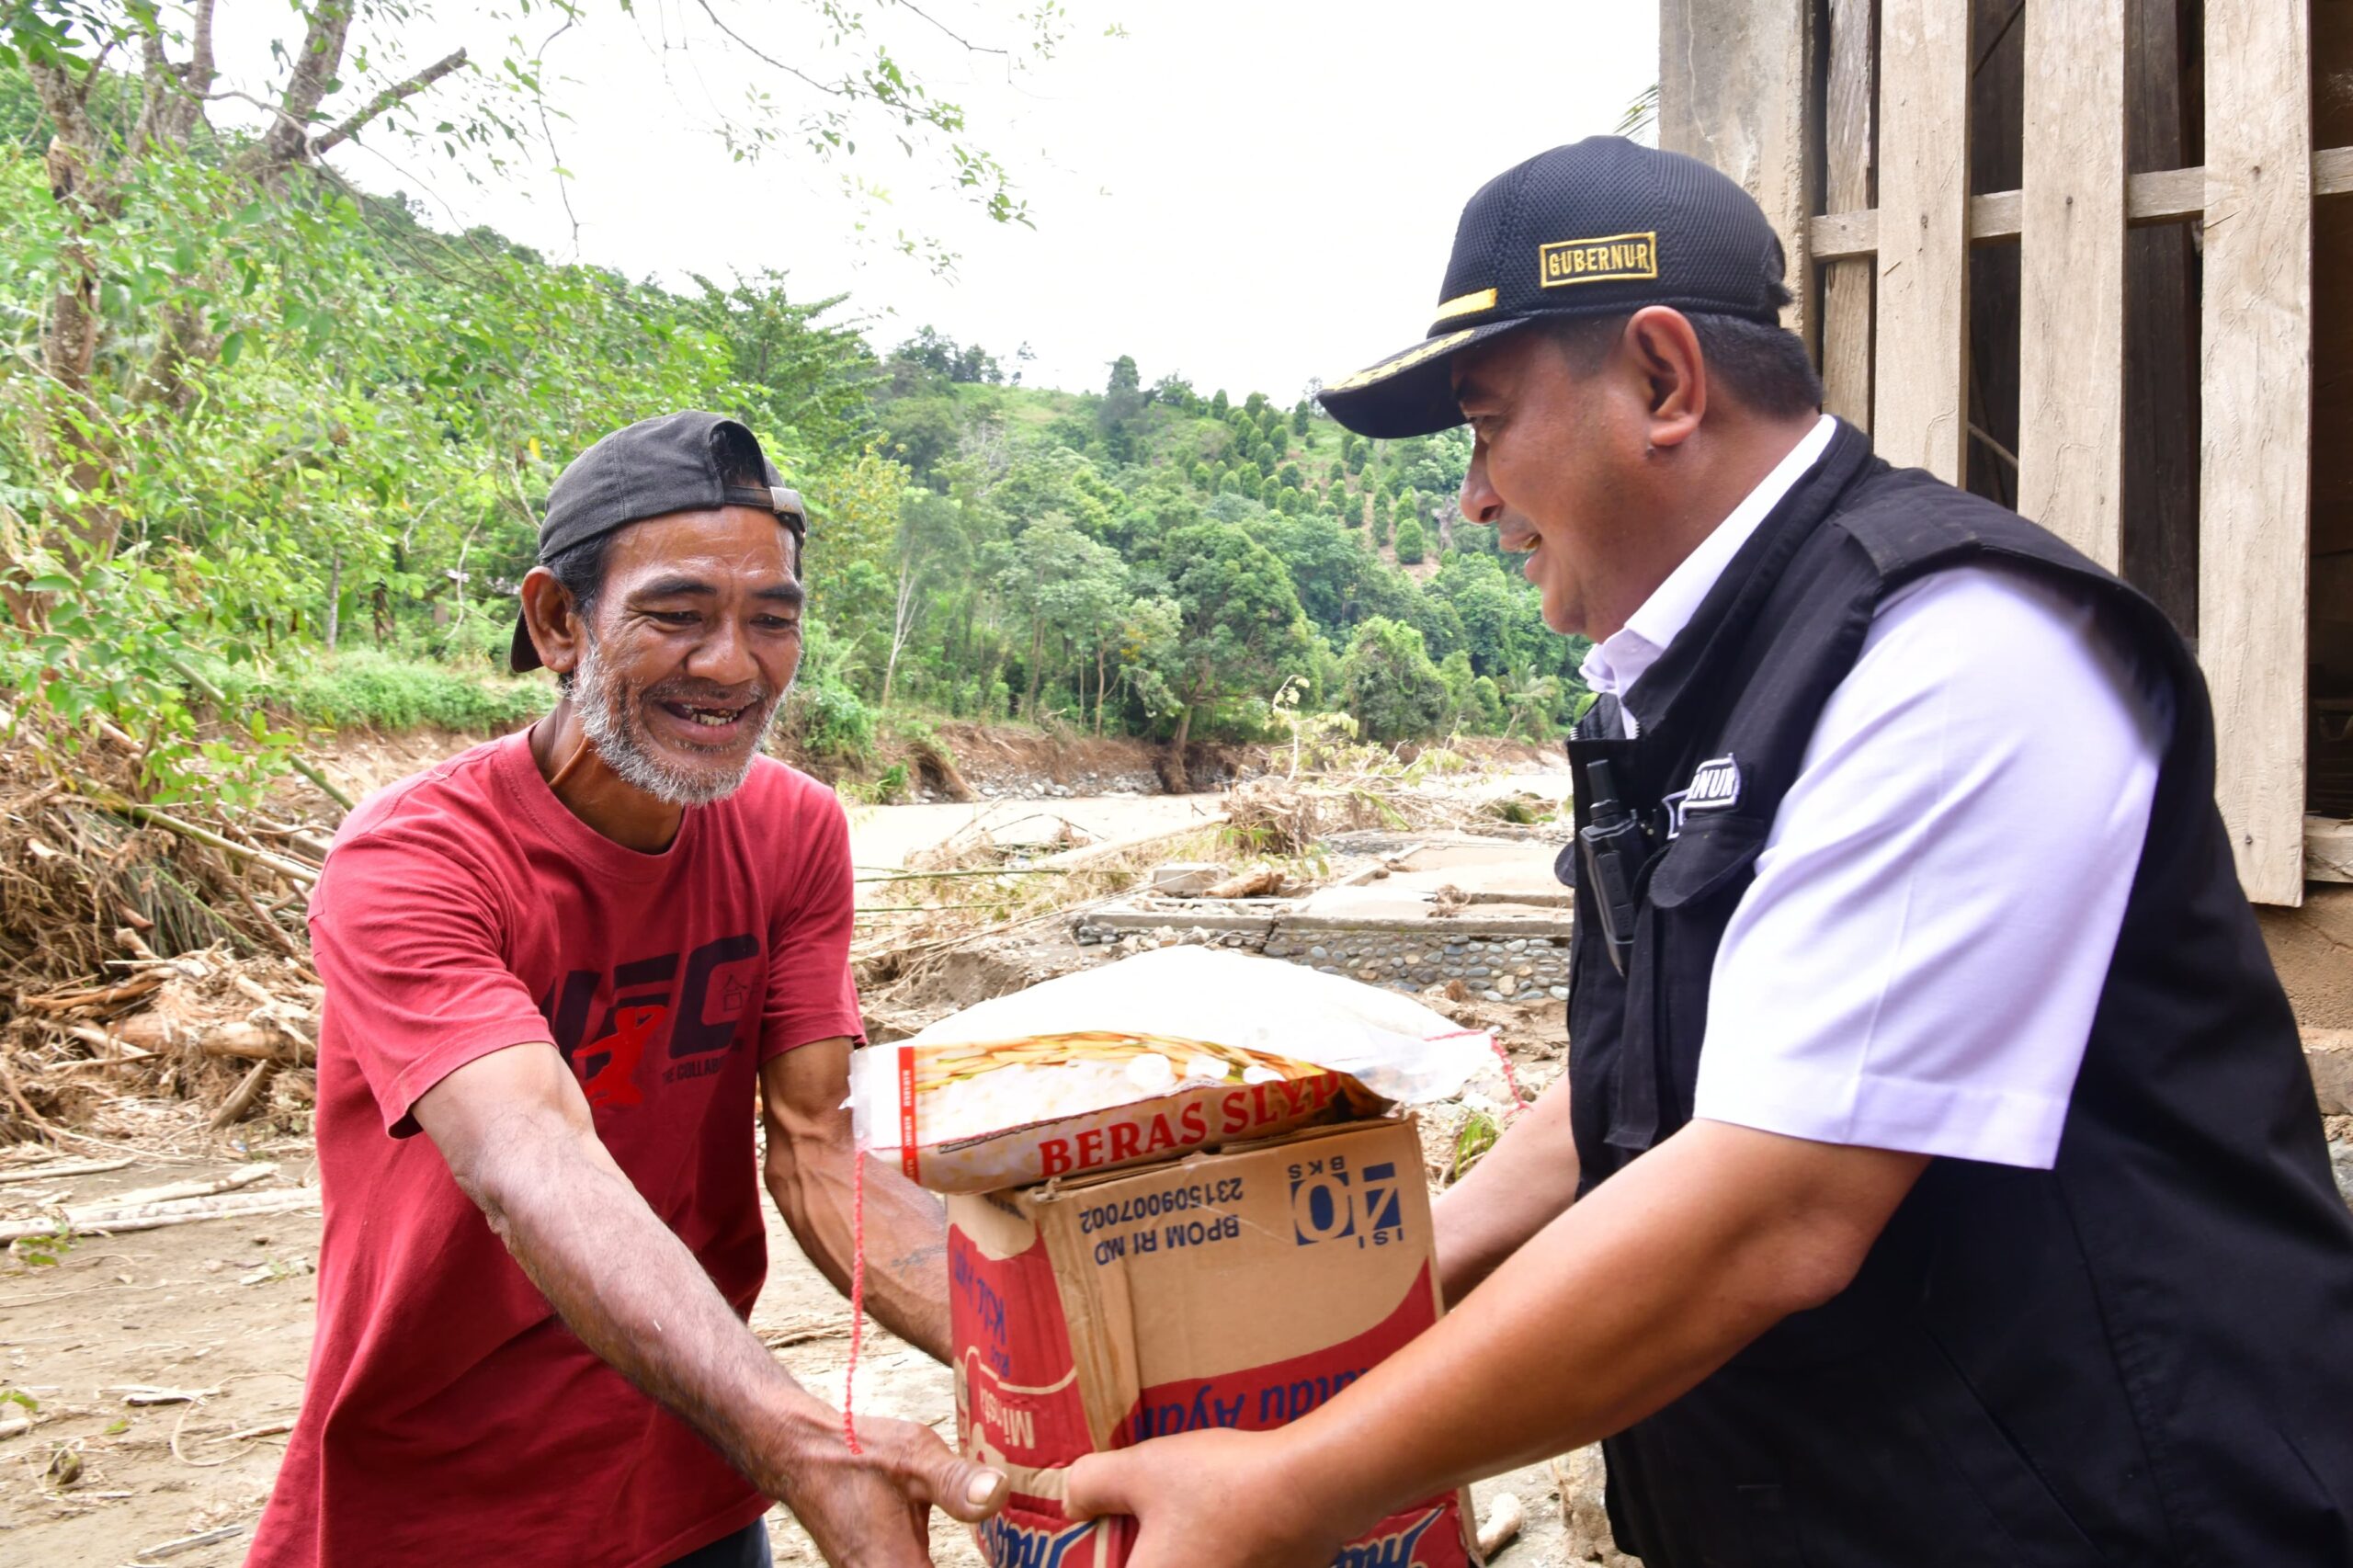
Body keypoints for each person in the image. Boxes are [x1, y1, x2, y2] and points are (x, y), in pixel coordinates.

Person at [1064, 138, 2353, 1565]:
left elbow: (1773, 1205)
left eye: (1485, 425)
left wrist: (1298, 1481)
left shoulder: (1959, 646)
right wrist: (1350, 1309)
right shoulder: (1681, 685)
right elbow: (1640, 1094)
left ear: (1665, 382)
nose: (1475, 497)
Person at [247, 413, 1005, 1568]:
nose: (732, 666)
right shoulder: (416, 859)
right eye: (678, 614)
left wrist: (1048, 1358)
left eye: (772, 621)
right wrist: (807, 1443)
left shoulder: (795, 831)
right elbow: (529, 1154)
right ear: (558, 619)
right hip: (442, 1503)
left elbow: (815, 1147)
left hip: (697, 1464)